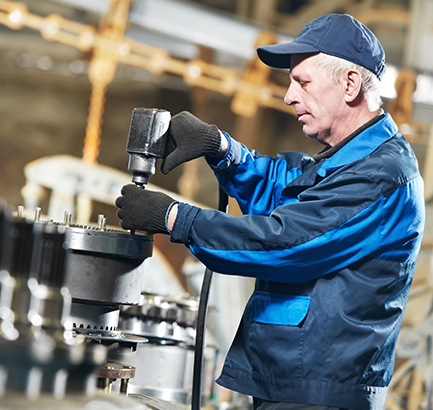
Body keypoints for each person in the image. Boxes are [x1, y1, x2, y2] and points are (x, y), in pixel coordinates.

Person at [115, 13, 424, 410]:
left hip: (319, 393)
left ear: (349, 84)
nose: (289, 96)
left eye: (303, 82)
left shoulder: (381, 175)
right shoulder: (348, 161)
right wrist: (221, 148)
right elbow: (286, 187)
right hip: (293, 383)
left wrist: (174, 217)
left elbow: (285, 241)